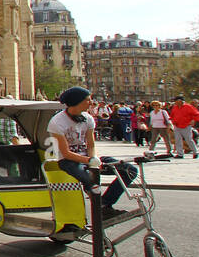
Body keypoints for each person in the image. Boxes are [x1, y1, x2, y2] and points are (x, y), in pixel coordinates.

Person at [49, 86, 138, 221]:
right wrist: (89, 162)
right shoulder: (57, 122)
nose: (91, 103)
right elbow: (65, 153)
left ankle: (105, 204)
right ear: (77, 101)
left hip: (88, 158)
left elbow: (90, 144)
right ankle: (98, 208)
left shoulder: (88, 118)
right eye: (88, 100)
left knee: (130, 170)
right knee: (91, 181)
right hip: (69, 162)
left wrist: (94, 158)